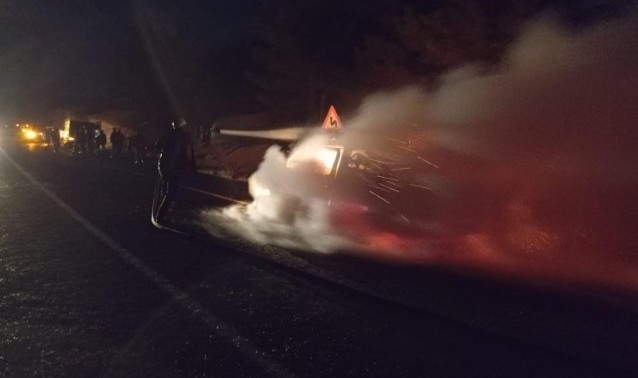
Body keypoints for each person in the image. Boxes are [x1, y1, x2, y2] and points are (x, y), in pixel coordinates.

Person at [155, 118, 195, 223]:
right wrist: (190, 166)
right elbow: (188, 152)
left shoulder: (167, 134)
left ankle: (163, 212)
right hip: (174, 167)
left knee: (166, 189)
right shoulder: (184, 137)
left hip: (164, 165)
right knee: (172, 191)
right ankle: (162, 216)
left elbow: (158, 146)